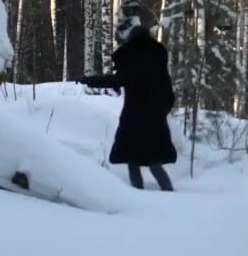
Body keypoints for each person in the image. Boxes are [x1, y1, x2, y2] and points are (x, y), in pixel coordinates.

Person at [76, 24, 177, 191]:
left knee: (133, 159)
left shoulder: (130, 59)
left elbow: (114, 80)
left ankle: (136, 193)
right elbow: (168, 89)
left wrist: (88, 80)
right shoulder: (157, 60)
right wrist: (165, 108)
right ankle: (169, 192)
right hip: (155, 116)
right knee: (155, 161)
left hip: (133, 115)